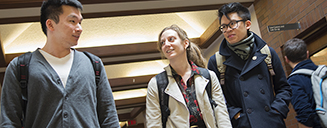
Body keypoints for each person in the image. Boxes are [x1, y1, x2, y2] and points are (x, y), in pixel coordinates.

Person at [0, 0, 120, 127]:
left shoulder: (93, 64)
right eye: (72, 21)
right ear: (50, 25)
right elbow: (9, 121)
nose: (80, 28)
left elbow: (109, 118)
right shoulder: (20, 67)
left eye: (80, 22)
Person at [207, 2, 292, 128]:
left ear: (247, 24)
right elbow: (215, 99)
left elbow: (284, 88)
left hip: (271, 122)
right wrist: (236, 115)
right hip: (242, 124)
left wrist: (277, 110)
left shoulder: (267, 53)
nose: (227, 30)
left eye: (232, 24)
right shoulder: (217, 61)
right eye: (223, 26)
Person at [146, 24, 232, 128]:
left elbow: (222, 114)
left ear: (185, 43)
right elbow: (154, 124)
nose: (166, 44)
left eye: (171, 39)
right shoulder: (156, 84)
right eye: (162, 42)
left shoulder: (209, 76)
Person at [284, 38, 322, 128]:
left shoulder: (293, 81)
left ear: (286, 59)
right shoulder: (324, 71)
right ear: (307, 54)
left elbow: (305, 115)